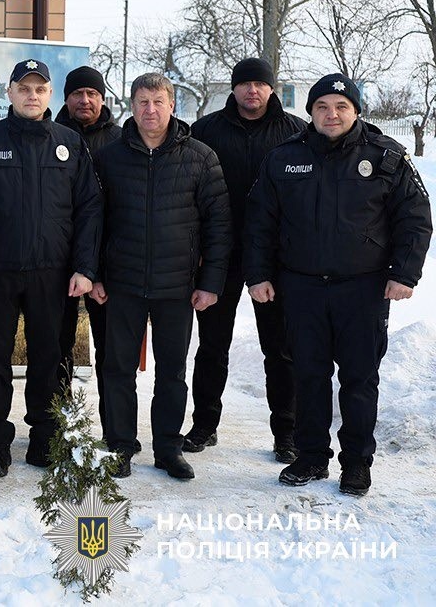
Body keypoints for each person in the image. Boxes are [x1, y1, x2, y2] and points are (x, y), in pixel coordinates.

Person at [245, 73, 431, 496]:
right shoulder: (284, 158)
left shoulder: (387, 156)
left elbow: (416, 218)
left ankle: (356, 464)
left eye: (341, 107)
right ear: (310, 112)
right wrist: (257, 274)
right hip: (302, 288)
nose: (331, 114)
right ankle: (311, 456)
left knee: (359, 379)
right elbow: (259, 222)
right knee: (308, 375)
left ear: (356, 111)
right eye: (322, 107)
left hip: (362, 289)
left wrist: (404, 273)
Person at [0, 59, 103, 478]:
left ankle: (44, 435)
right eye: (23, 88)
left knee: (49, 357)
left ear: (50, 95)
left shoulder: (70, 143)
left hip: (52, 274)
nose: (32, 95)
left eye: (39, 89)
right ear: (9, 93)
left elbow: (89, 208)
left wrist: (84, 268)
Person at [90, 72, 230, 481]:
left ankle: (168, 448)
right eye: (142, 102)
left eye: (158, 101)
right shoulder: (109, 158)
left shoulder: (201, 157)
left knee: (172, 372)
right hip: (122, 283)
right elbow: (93, 222)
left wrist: (211, 283)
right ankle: (120, 445)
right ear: (131, 106)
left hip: (177, 287)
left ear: (172, 105)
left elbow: (219, 225)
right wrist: (94, 274)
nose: (150, 110)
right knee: (117, 369)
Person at [184, 58, 306, 462]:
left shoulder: (296, 133)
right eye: (245, 84)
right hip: (220, 253)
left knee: (280, 349)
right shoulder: (206, 131)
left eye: (260, 83)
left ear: (272, 88)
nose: (252, 91)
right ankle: (204, 424)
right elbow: (190, 192)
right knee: (212, 345)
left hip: (275, 259)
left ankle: (286, 432)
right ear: (233, 88)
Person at [52, 65, 122, 437]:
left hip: (107, 265)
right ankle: (62, 424)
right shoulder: (51, 135)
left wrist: (101, 270)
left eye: (91, 93)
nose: (84, 100)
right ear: (66, 98)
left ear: (102, 98)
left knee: (111, 351)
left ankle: (115, 427)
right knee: (57, 347)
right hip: (59, 262)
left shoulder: (120, 139)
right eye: (77, 93)